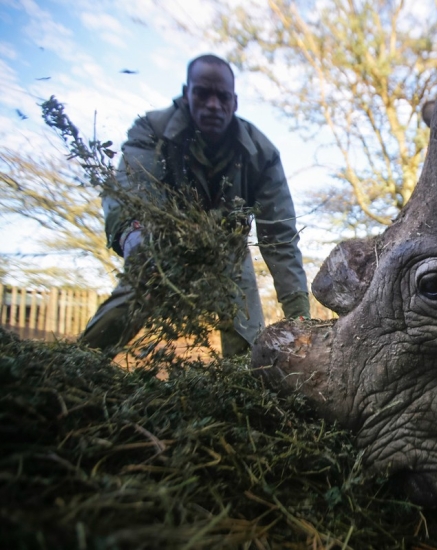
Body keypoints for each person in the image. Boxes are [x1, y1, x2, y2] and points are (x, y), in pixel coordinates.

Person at [81, 54, 310, 356]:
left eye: (222, 97)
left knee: (247, 338)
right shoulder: (152, 130)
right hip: (162, 241)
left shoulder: (260, 153)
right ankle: (81, 363)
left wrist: (300, 316)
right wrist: (135, 237)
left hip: (228, 248)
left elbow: (279, 237)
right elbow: (130, 191)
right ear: (187, 93)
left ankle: (240, 379)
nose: (213, 105)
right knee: (134, 296)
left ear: (234, 102)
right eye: (203, 93)